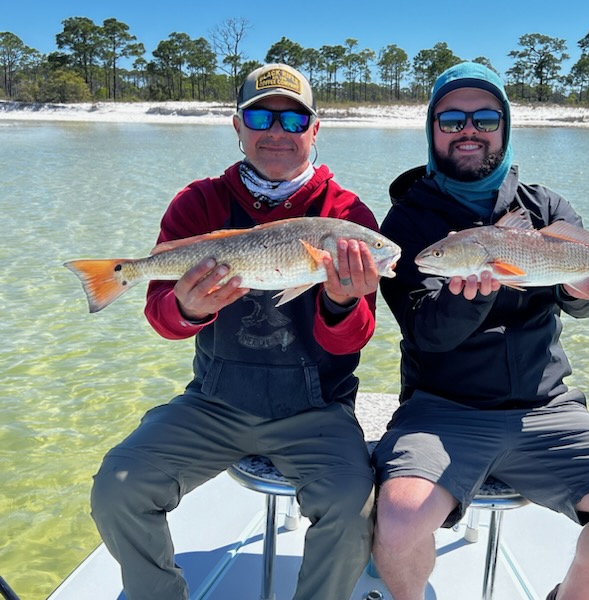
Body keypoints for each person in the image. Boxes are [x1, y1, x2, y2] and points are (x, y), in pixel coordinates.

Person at [372, 62, 589, 600]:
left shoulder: (547, 208)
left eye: (485, 118)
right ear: (432, 129)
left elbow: (572, 295)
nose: (469, 129)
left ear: (505, 127)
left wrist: (582, 293)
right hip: (443, 408)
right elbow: (426, 335)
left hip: (546, 407)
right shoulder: (405, 225)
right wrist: (475, 296)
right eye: (452, 118)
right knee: (397, 521)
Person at [90, 63, 379, 600]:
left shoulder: (346, 216)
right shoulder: (197, 203)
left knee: (353, 506)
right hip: (214, 401)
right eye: (261, 116)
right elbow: (162, 321)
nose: (277, 131)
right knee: (117, 488)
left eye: (294, 120)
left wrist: (341, 301)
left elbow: (355, 339)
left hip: (316, 410)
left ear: (315, 130)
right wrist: (187, 308)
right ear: (237, 125)